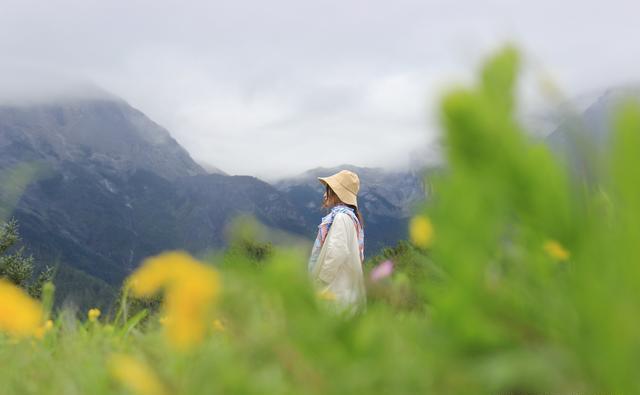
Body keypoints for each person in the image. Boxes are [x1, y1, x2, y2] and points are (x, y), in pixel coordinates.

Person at [308, 170, 366, 314]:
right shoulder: (351, 218)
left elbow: (336, 253)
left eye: (328, 190)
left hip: (336, 296)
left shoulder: (340, 218)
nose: (324, 195)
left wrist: (320, 282)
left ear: (337, 193)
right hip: (346, 295)